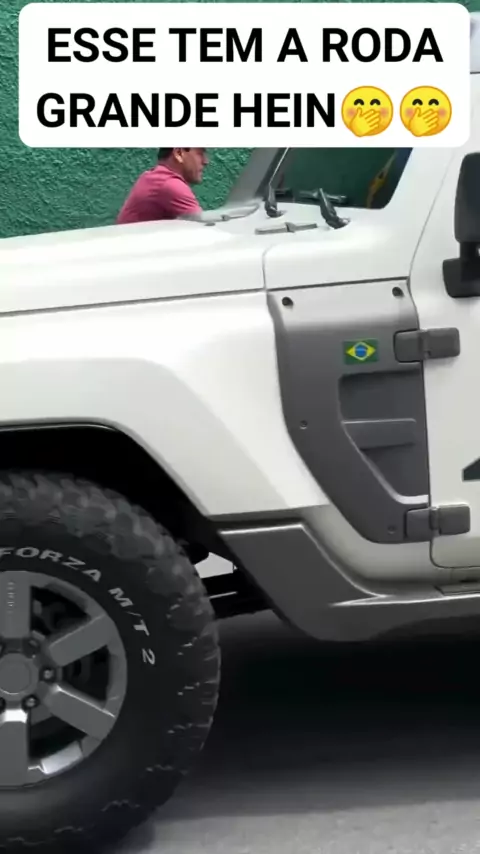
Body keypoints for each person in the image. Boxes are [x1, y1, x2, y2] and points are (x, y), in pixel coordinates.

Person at [116, 147, 208, 225]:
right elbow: (202, 229)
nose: (205, 161)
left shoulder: (155, 178)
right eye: (200, 153)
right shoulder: (169, 184)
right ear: (179, 153)